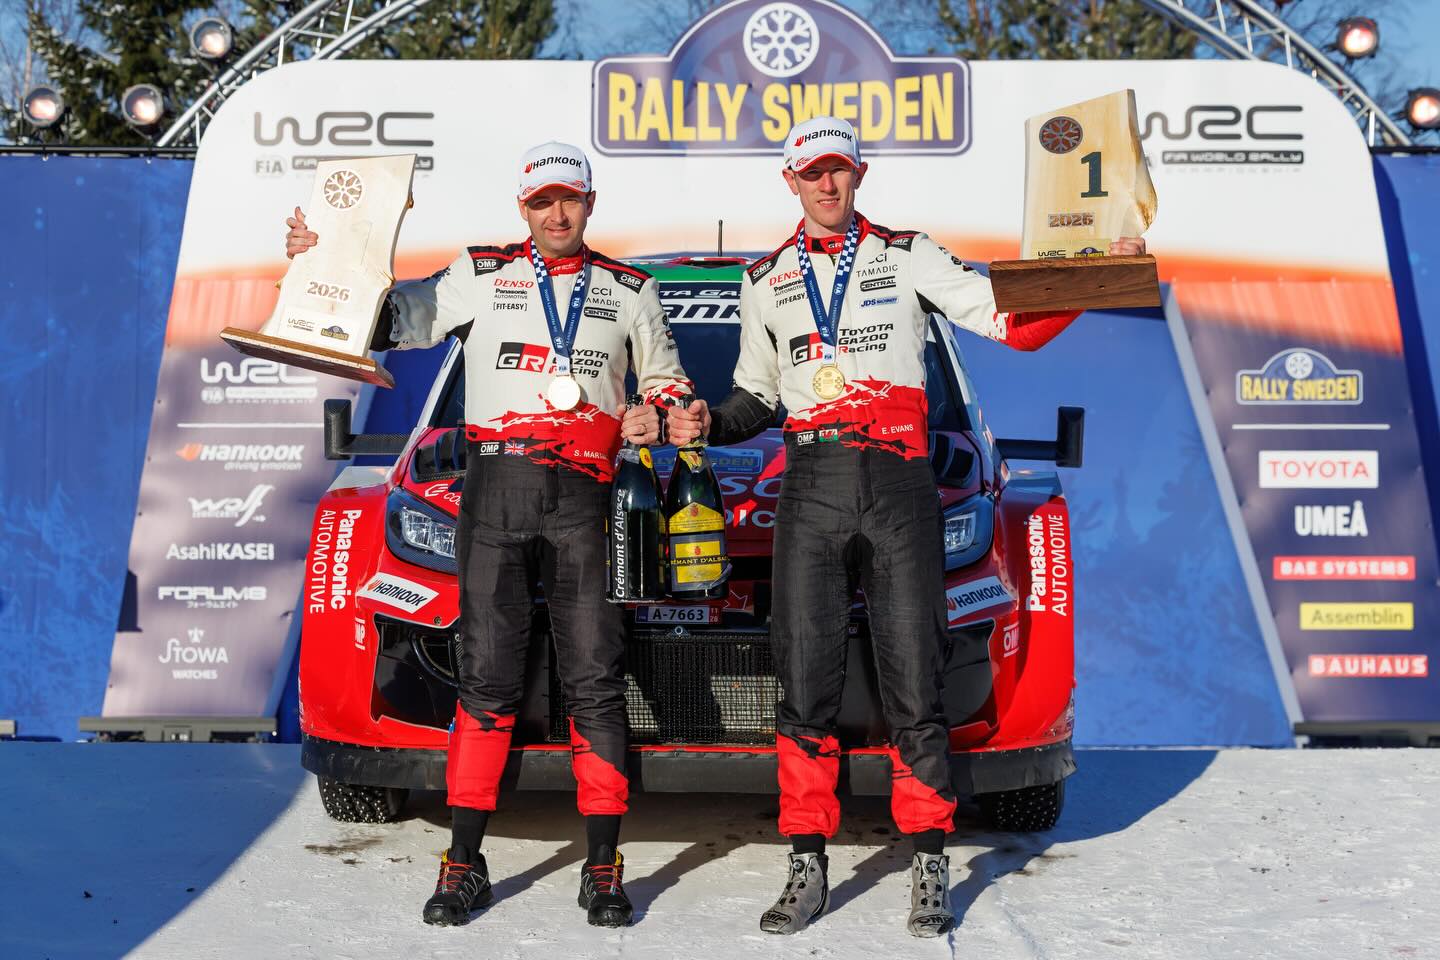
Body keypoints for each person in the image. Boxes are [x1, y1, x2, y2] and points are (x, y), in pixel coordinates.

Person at [668, 116, 1145, 938]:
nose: (828, 185)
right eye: (813, 172)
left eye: (841, 171)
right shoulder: (766, 278)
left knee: (912, 678)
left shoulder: (908, 253)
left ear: (860, 175)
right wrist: (707, 422)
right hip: (809, 483)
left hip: (897, 479)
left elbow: (1008, 319)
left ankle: (929, 862)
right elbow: (756, 399)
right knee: (805, 679)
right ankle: (806, 863)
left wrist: (1098, 277)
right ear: (791, 180)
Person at [284, 142, 703, 928]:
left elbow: (670, 381)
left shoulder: (630, 291)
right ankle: (461, 863)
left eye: (569, 199)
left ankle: (605, 868)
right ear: (523, 207)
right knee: (487, 683)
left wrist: (675, 412)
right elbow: (387, 321)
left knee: (595, 683)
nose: (557, 213)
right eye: (543, 200)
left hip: (588, 496)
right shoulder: (477, 275)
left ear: (589, 202)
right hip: (497, 490)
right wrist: (320, 267)